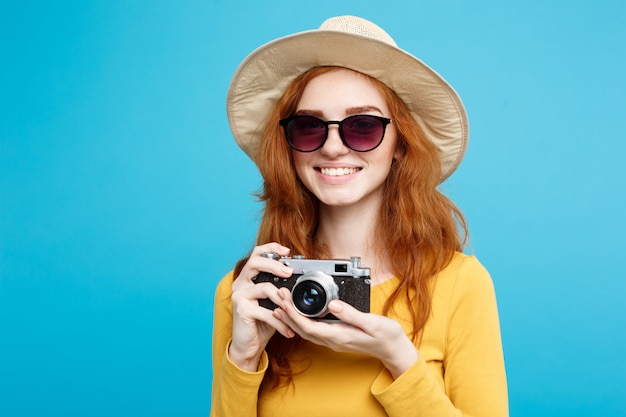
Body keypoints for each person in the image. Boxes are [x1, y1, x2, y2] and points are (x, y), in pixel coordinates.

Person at [211, 15, 508, 417]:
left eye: (363, 126)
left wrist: (398, 358)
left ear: (400, 143)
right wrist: (242, 358)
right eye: (309, 127)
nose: (332, 148)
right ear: (290, 146)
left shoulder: (460, 285)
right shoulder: (249, 292)